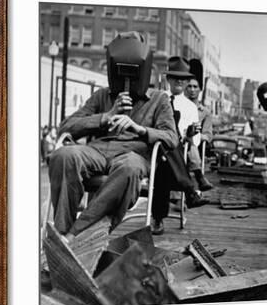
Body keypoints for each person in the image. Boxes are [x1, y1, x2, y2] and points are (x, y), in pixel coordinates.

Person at [48, 32, 179, 241]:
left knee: (129, 169)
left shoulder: (159, 99)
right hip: (97, 151)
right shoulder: (102, 95)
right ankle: (62, 233)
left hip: (132, 153)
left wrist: (140, 129)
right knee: (63, 156)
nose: (127, 80)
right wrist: (105, 117)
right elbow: (67, 126)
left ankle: (75, 234)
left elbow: (172, 137)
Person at [150, 56, 209, 235]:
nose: (179, 82)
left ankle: (158, 218)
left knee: (166, 162)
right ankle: (190, 190)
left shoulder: (190, 108)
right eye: (175, 78)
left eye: (183, 79)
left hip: (175, 151)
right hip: (154, 145)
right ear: (168, 79)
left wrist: (191, 134)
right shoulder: (156, 98)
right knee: (164, 148)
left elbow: (195, 142)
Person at [185, 58, 213, 191]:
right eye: (189, 86)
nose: (192, 90)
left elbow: (208, 136)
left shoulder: (205, 112)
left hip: (193, 145)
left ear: (200, 89)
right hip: (176, 142)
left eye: (195, 87)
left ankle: (197, 178)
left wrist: (196, 136)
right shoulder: (178, 106)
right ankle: (199, 176)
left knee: (190, 141)